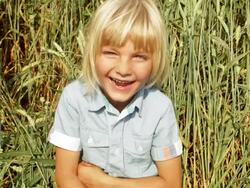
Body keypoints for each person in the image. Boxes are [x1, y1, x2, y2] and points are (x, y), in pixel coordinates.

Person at [48, 0, 183, 187]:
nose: (124, 69)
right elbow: (66, 177)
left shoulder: (160, 108)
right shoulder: (75, 98)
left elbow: (172, 184)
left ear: (155, 60)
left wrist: (103, 182)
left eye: (139, 57)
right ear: (93, 53)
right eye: (111, 53)